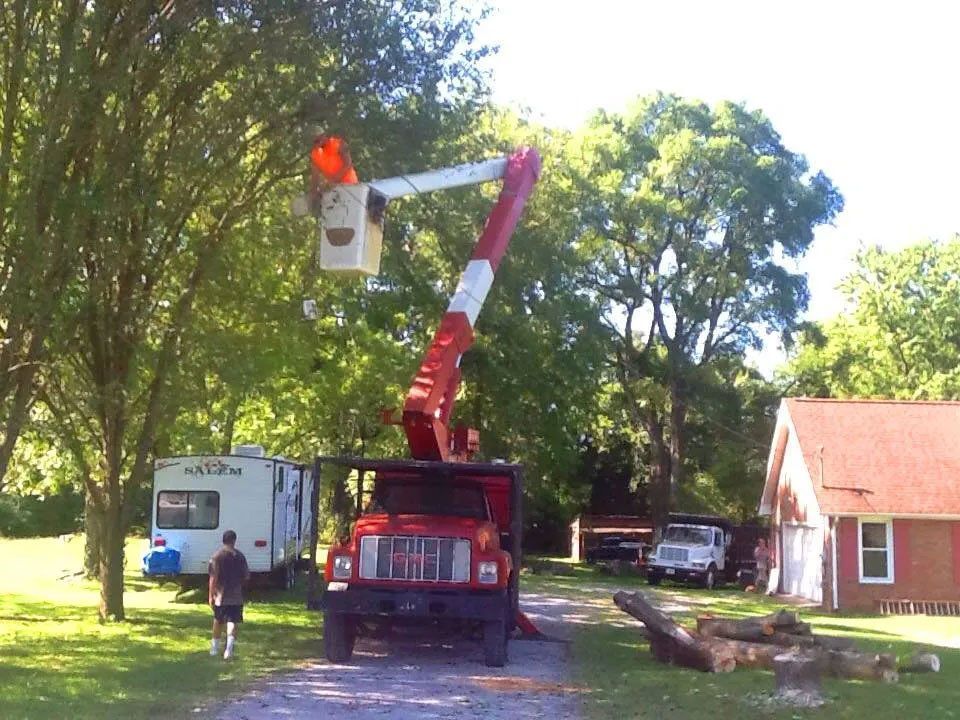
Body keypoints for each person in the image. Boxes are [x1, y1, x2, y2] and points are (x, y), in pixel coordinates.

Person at [209, 529, 250, 660]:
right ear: (234, 540)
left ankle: (214, 649)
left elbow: (213, 577)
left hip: (221, 596)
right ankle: (229, 650)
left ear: (223, 540)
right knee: (232, 622)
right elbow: (246, 576)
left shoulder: (217, 556)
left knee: (218, 621)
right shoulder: (240, 556)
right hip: (236, 596)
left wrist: (211, 594)